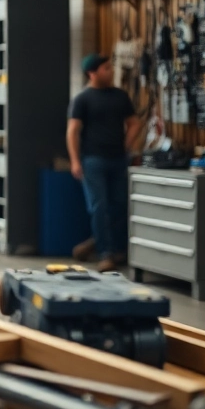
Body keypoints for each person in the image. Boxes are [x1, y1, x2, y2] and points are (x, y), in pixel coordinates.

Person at [67, 53, 141, 271]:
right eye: (106, 68)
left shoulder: (120, 96)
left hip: (118, 159)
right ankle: (105, 253)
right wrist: (75, 161)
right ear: (92, 73)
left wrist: (126, 144)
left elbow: (134, 123)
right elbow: (72, 131)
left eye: (110, 68)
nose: (111, 72)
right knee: (99, 207)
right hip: (93, 160)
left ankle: (105, 245)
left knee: (119, 205)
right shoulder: (82, 99)